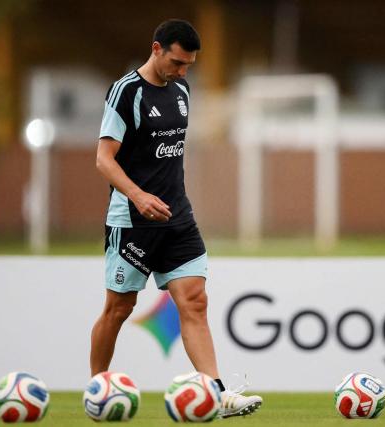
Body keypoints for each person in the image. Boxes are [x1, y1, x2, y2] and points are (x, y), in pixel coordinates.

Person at [90, 19, 262, 418]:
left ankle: (217, 394)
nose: (184, 72)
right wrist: (138, 195)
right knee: (118, 309)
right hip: (132, 222)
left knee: (195, 302)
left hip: (178, 218)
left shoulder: (182, 89)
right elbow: (104, 159)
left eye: (189, 65)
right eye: (178, 62)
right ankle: (97, 388)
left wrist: (163, 199)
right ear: (156, 49)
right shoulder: (125, 92)